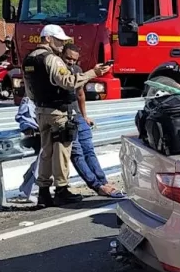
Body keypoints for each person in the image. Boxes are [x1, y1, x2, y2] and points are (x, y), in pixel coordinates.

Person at [23, 24, 111, 207]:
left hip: (40, 111)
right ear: (48, 39)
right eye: (59, 41)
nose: (62, 45)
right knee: (62, 151)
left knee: (46, 152)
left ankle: (43, 192)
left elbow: (29, 91)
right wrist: (92, 73)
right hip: (58, 112)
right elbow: (68, 82)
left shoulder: (28, 59)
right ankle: (62, 189)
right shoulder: (52, 59)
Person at [62, 44, 123, 199]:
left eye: (74, 59)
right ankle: (97, 186)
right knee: (77, 153)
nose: (70, 62)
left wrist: (84, 116)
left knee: (89, 150)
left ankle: (103, 181)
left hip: (77, 116)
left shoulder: (77, 71)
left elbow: (80, 94)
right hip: (63, 117)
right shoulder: (57, 71)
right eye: (68, 58)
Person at [11, 88, 40, 204]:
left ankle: (28, 183)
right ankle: (29, 188)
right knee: (43, 163)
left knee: (43, 162)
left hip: (44, 128)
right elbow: (24, 116)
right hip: (38, 132)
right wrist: (29, 129)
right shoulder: (30, 96)